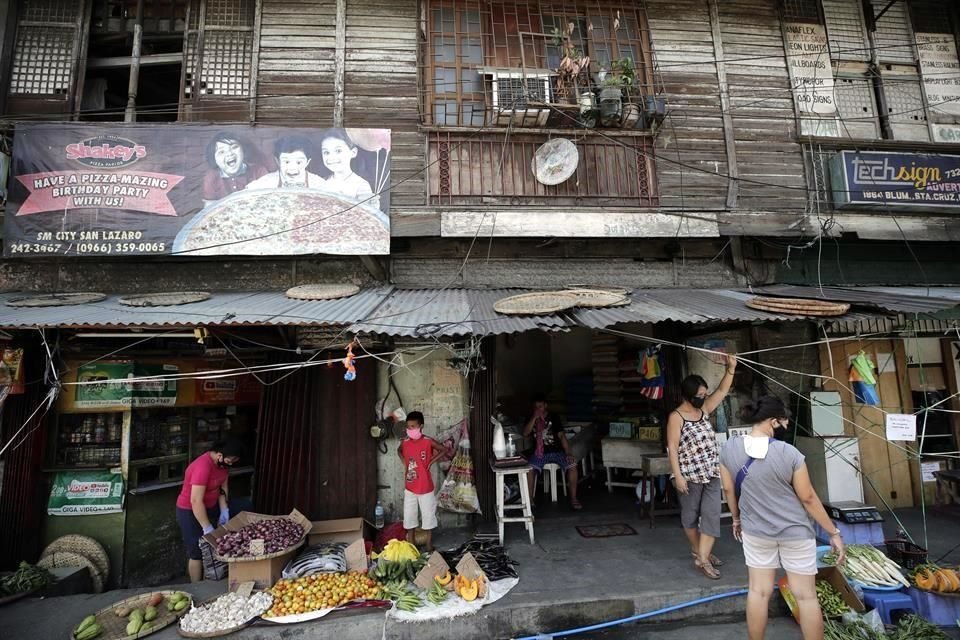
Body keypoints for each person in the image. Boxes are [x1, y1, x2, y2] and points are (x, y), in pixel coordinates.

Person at [719, 396, 845, 640]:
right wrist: (833, 532)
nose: (785, 429)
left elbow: (728, 490)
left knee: (758, 592)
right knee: (806, 597)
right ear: (773, 421)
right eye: (784, 424)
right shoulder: (790, 453)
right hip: (796, 533)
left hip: (755, 532)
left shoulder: (729, 448)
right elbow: (808, 498)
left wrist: (736, 519)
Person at [666, 353, 737, 580]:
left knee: (711, 515)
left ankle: (703, 559)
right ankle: (699, 551)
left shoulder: (704, 410)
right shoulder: (676, 417)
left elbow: (722, 391)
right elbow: (672, 447)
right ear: (688, 396)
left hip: (711, 472)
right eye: (699, 395)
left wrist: (731, 368)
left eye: (704, 394)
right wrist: (678, 476)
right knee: (690, 516)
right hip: (688, 475)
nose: (703, 398)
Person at [175, 438, 242, 582]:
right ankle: (196, 586)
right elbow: (195, 500)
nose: (230, 464)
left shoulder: (222, 465)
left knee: (243, 508)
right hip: (189, 510)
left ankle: (214, 579)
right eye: (230, 461)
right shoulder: (202, 467)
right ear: (219, 455)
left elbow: (223, 489)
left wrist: (224, 510)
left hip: (211, 506)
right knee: (196, 551)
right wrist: (207, 527)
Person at [523, 394, 581, 510]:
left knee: (573, 466)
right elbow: (525, 433)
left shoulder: (554, 417)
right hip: (539, 453)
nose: (538, 409)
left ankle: (574, 498)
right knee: (529, 469)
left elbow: (562, 436)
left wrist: (568, 453)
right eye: (536, 407)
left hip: (557, 451)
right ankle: (529, 500)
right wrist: (534, 418)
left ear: (546, 406)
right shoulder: (531, 417)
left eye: (541, 406)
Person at [397, 411, 445, 551]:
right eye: (408, 427)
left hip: (425, 488)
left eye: (413, 426)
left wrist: (431, 461)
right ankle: (412, 546)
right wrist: (403, 460)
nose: (410, 429)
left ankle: (429, 545)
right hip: (410, 488)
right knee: (409, 517)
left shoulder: (427, 441)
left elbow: (443, 449)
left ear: (421, 426)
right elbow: (399, 450)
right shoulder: (405, 442)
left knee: (428, 516)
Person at [319, 129, 380, 210]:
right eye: (326, 152)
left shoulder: (361, 185)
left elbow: (364, 216)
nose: (331, 157)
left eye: (338, 151)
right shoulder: (322, 182)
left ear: (353, 152)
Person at [201, 133, 267, 205]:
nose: (229, 153)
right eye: (222, 152)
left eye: (234, 147)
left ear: (243, 150)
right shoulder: (211, 178)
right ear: (214, 159)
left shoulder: (259, 171)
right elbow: (209, 208)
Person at [245, 135, 325, 190]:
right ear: (278, 161)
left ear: (307, 162)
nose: (292, 168)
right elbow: (246, 194)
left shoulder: (318, 184)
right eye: (286, 162)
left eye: (298, 162)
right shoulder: (267, 182)